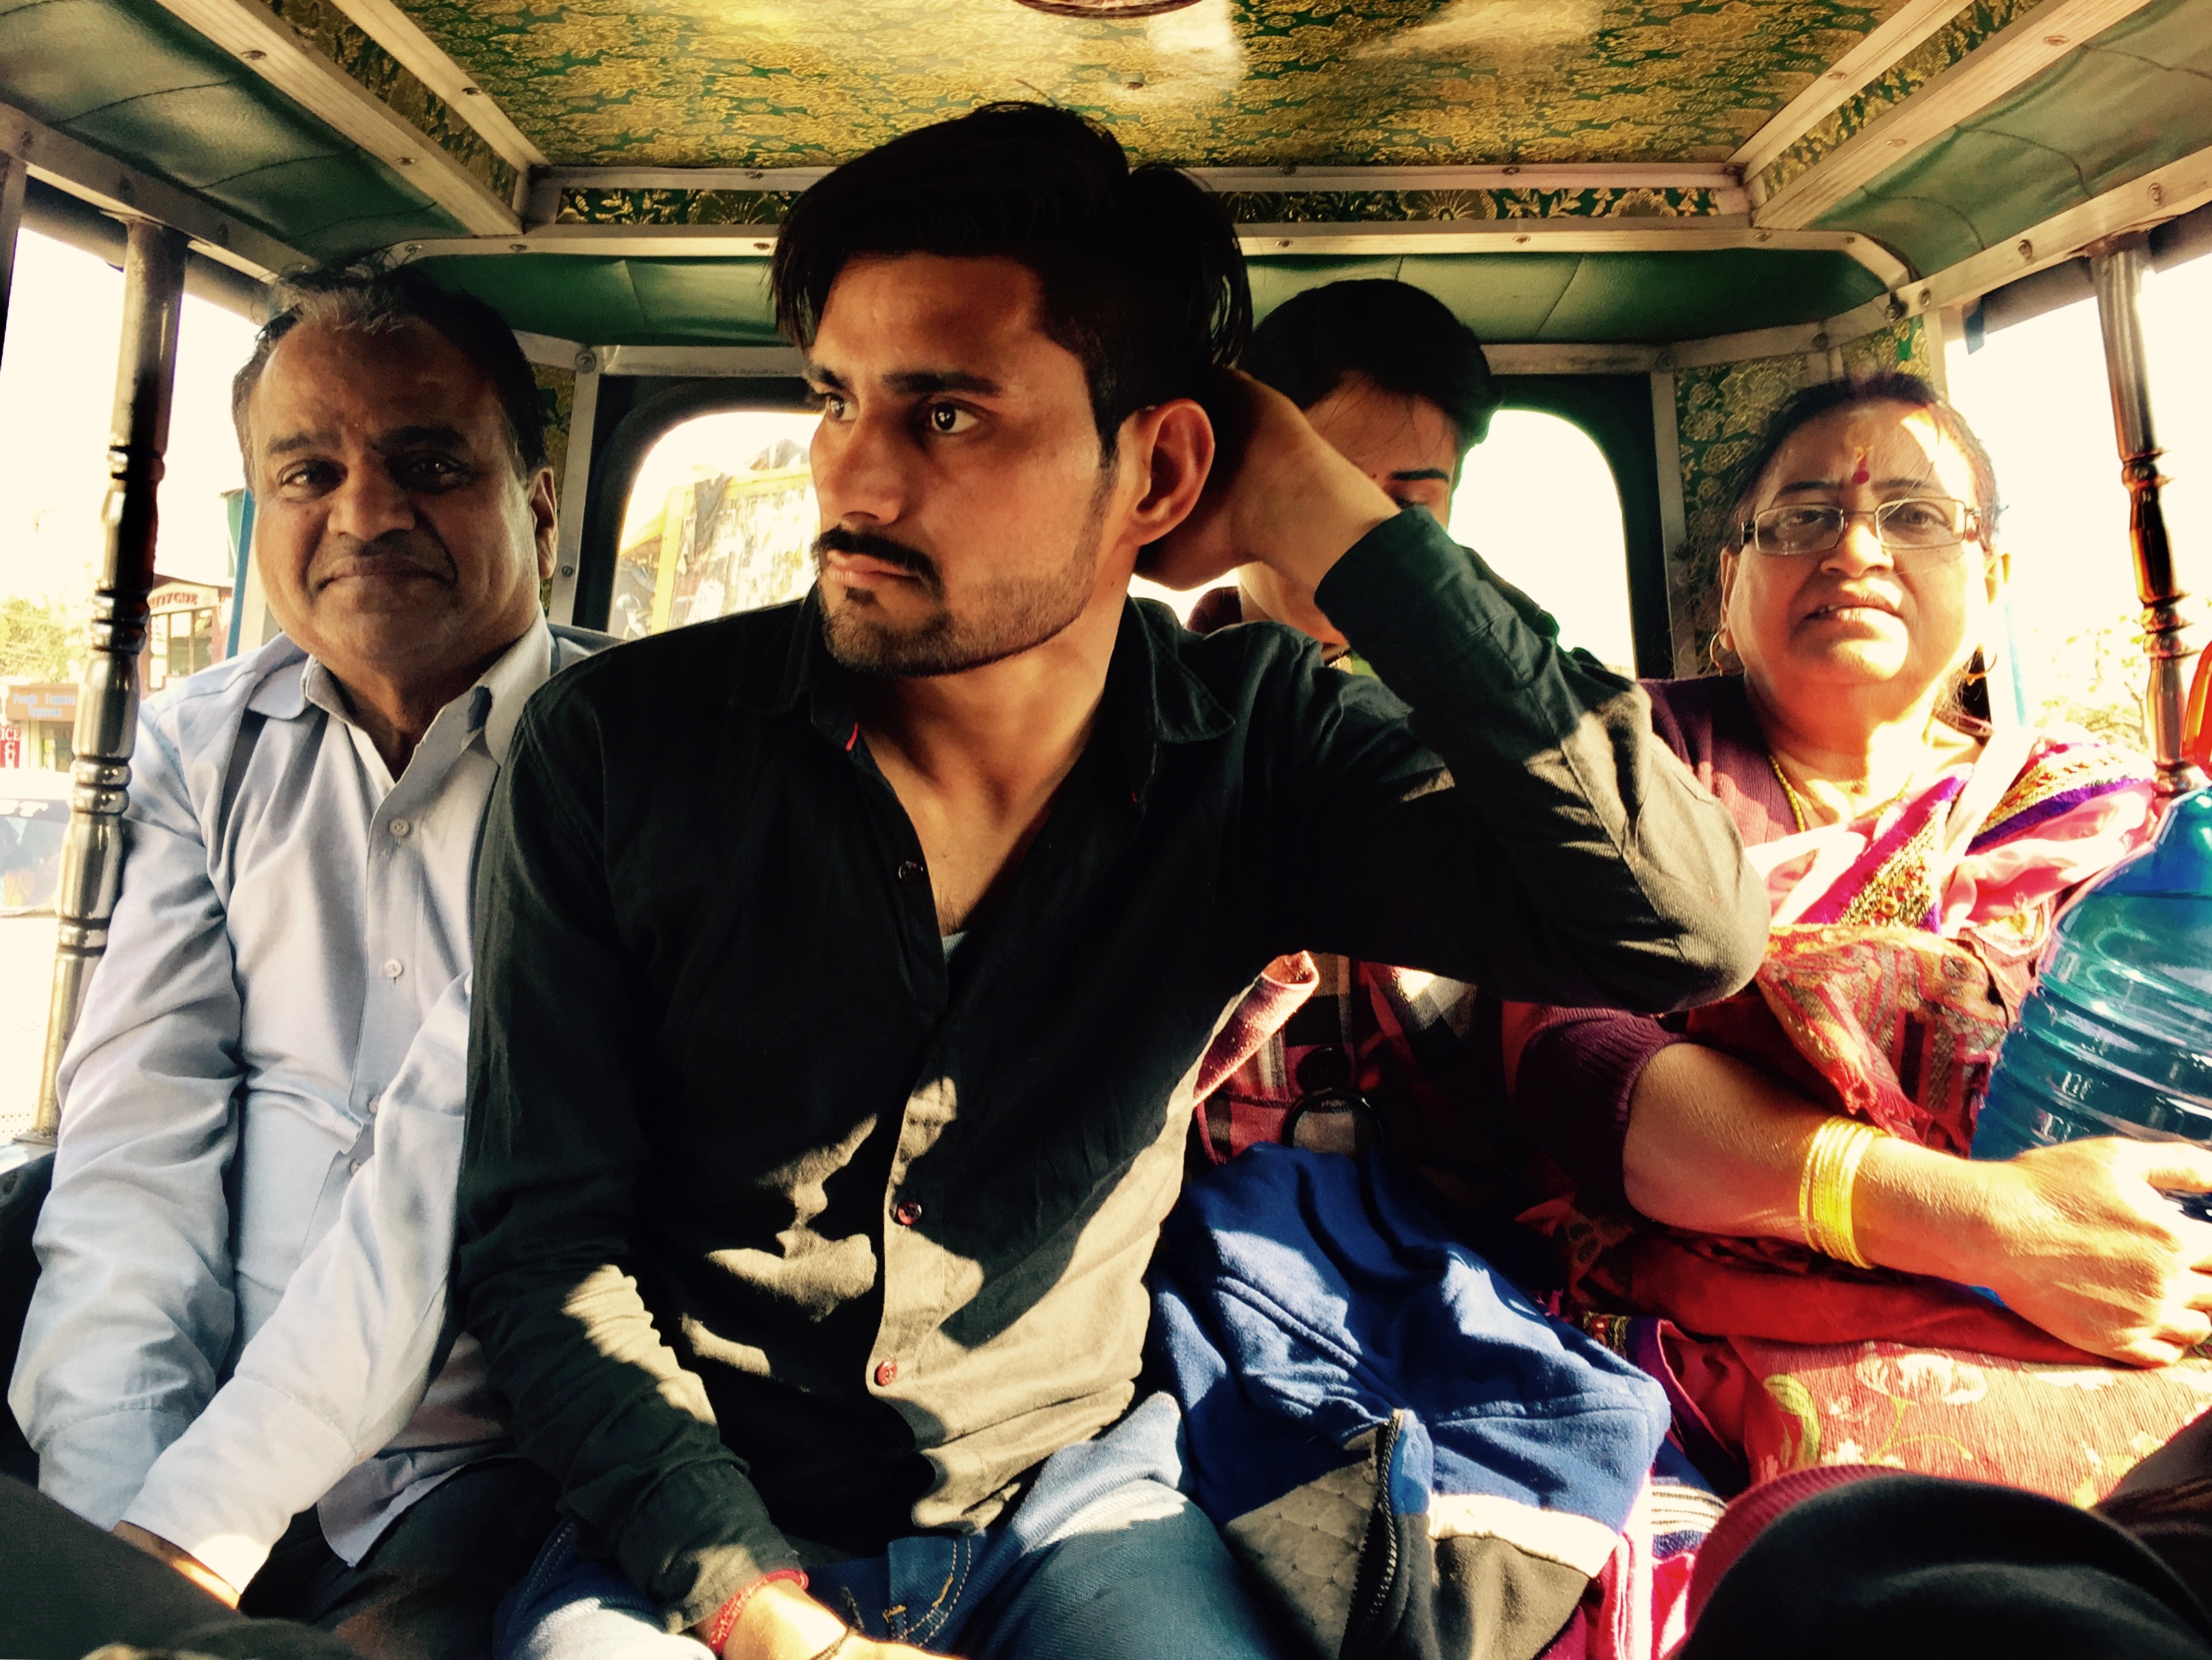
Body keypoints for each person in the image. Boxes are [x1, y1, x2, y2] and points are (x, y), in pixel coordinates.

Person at [457, 102, 1767, 1660]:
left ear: (1159, 468)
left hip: (1067, 1507)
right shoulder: (621, 749)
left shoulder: (1259, 749)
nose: (851, 479)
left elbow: (1678, 926)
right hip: (689, 1526)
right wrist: (760, 1613)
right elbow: (546, 1252)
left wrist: (1329, 516)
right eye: (833, 399)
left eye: (947, 413)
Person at [8, 265, 600, 1656]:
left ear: (536, 502)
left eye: (428, 464)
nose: (366, 513)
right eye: (308, 472)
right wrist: (112, 1544)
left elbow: (447, 1174)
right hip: (189, 1438)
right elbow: (135, 1154)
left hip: (482, 1466)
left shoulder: (624, 754)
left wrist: (183, 1536)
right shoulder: (204, 748)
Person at [1500, 372, 2211, 1505]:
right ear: (1730, 584)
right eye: (1805, 518)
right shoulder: (1626, 763)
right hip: (1714, 1327)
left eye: (1915, 515)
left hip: (2115, 1308)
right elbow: (1576, 1066)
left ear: (1992, 580)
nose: (1857, 551)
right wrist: (1982, 1227)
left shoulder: (2108, 819)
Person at [1182, 278, 1536, 1209]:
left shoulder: (1501, 725)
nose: (1352, 542)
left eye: (1405, 508)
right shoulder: (1140, 712)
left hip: (1449, 1217)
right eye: (1324, 490)